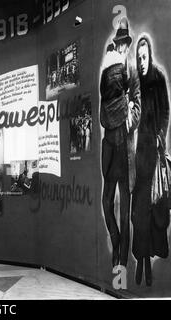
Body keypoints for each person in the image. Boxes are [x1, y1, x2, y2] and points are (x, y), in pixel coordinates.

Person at [100, 17, 141, 268]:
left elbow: (138, 102)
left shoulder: (132, 69)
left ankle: (122, 260)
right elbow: (104, 104)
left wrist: (131, 121)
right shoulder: (109, 70)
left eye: (125, 42)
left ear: (128, 43)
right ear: (116, 44)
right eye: (120, 43)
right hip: (110, 147)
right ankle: (115, 240)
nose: (123, 47)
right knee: (107, 201)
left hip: (125, 147)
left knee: (124, 209)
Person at [132, 35, 170, 286]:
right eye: (138, 58)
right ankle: (142, 260)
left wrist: (160, 137)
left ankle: (149, 258)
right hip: (141, 153)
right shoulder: (136, 82)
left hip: (155, 151)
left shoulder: (158, 78)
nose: (142, 62)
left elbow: (166, 111)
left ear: (150, 56)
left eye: (144, 57)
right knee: (139, 212)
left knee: (156, 208)